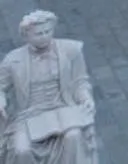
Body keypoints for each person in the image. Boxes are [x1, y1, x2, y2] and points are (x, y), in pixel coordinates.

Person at [0, 10, 96, 163]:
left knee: (73, 136)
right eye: (38, 34)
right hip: (29, 115)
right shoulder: (13, 60)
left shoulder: (71, 50)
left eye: (48, 31)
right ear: (26, 36)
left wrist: (86, 97)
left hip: (63, 108)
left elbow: (80, 81)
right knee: (21, 150)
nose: (44, 36)